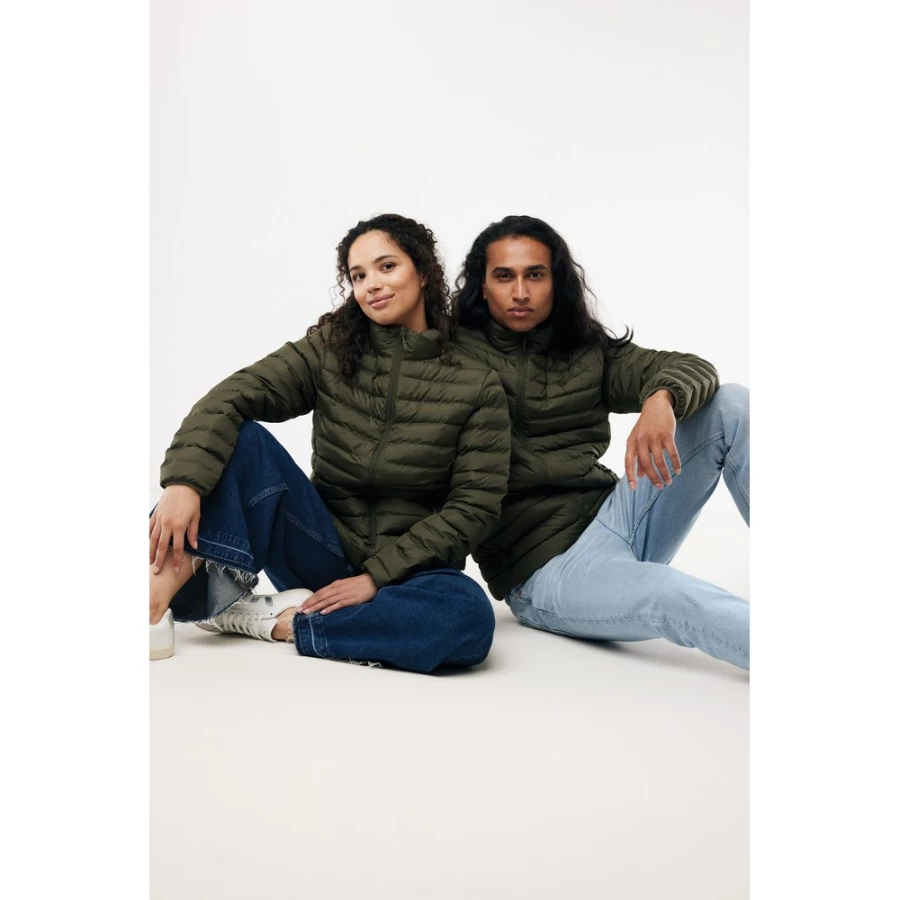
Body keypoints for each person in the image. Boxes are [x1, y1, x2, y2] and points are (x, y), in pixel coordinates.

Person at [149, 213, 510, 673]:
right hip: (321, 548)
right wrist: (183, 483)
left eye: (386, 267)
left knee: (467, 619)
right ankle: (151, 606)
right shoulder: (331, 350)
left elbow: (475, 507)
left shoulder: (476, 382)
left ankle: (283, 623)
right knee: (244, 440)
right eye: (358, 276)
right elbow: (232, 397)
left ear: (422, 271)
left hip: (413, 572)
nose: (371, 285)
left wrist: (376, 577)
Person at [451, 215, 749, 669]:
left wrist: (662, 398)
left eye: (535, 274)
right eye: (504, 276)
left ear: (557, 281)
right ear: (482, 285)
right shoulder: (450, 356)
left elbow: (692, 367)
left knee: (730, 403)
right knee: (669, 595)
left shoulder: (586, 349)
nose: (521, 292)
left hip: (617, 516)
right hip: (547, 570)